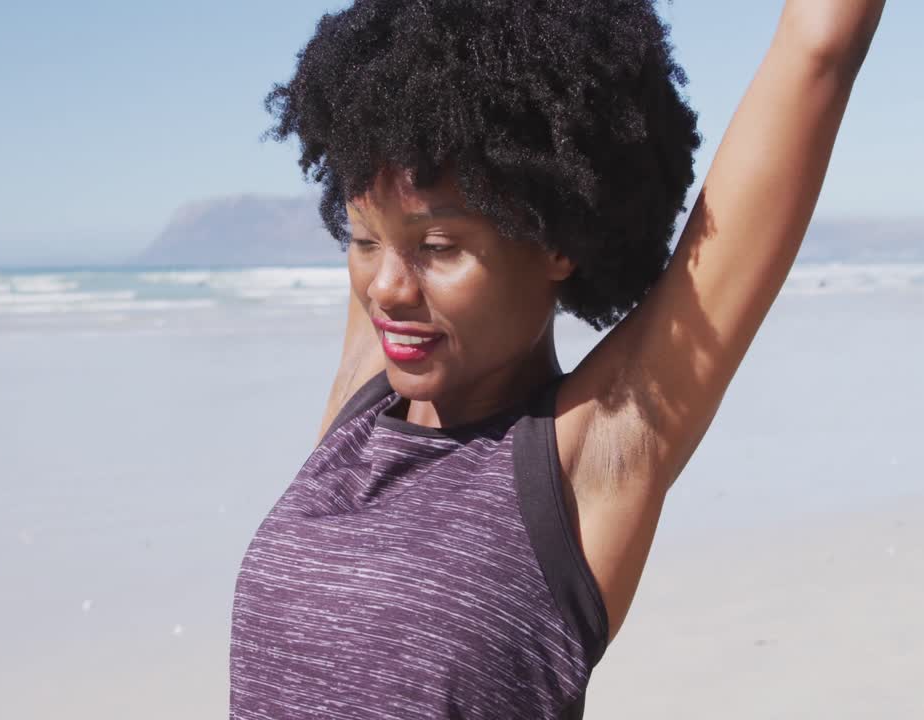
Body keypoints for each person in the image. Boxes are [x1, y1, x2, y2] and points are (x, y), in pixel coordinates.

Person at [230, 1, 885, 717]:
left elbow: (816, 53)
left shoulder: (584, 459)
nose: (385, 288)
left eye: (439, 247)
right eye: (362, 240)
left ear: (554, 241)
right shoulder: (365, 406)